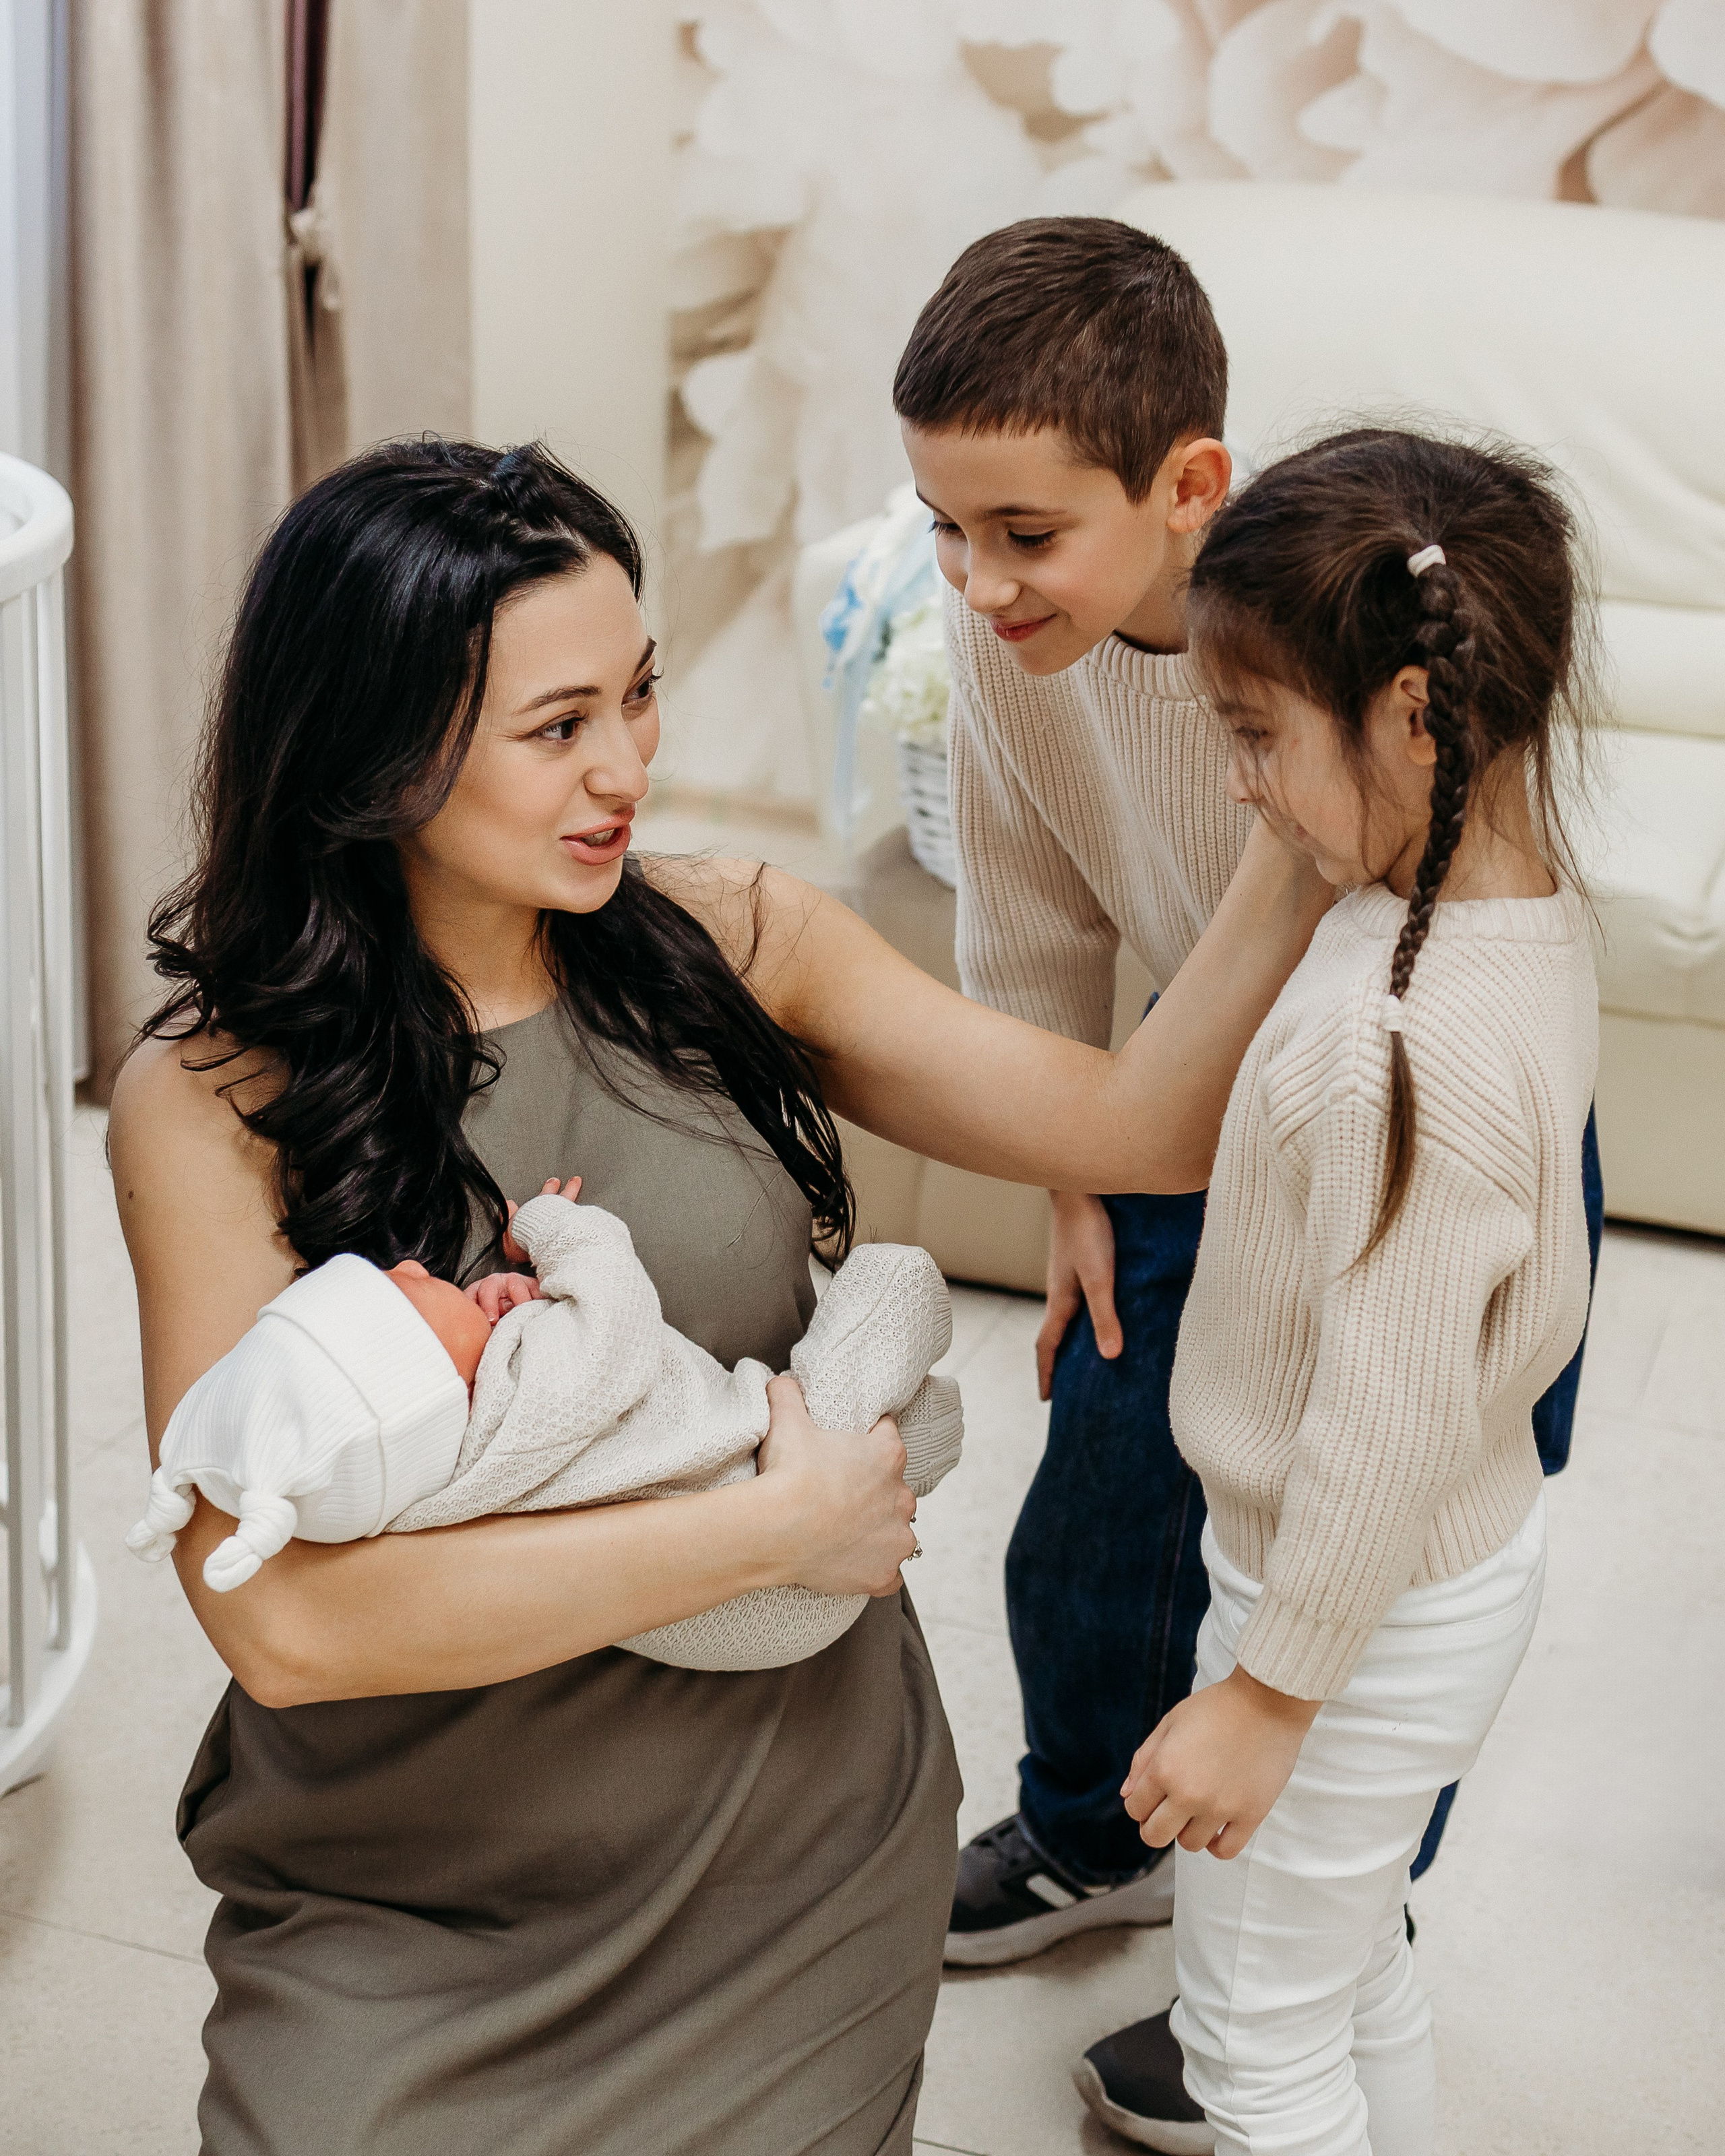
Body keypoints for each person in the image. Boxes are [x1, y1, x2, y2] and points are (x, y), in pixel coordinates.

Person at [108, 438, 1329, 2156]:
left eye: (638, 695)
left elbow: (1141, 1124)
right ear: (378, 755)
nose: (624, 769)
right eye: (556, 729)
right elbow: (284, 1626)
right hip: (410, 1884)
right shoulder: (214, 1099)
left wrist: (1306, 793)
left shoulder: (733, 942)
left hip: (788, 1843)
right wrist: (766, 1534)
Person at [892, 218, 1604, 2139]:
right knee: (1108, 1509)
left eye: (1024, 534)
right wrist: (1077, 1183)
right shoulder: (1007, 649)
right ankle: (1101, 1835)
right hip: (1193, 1120)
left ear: (1188, 486)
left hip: (1366, 1115)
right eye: (946, 529)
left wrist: (1290, 1702)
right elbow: (1031, 908)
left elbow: (1398, 1379)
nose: (975, 580)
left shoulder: (1342, 646)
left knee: (1402, 1499)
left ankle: (1319, 1887)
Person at [1112, 427, 1598, 2155]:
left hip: (1351, 1614)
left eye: (1251, 737)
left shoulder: (1392, 1047)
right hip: (1429, 1572)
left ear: (1410, 715)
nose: (1237, 785)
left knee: (1249, 2046)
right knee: (1340, 1972)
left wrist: (1265, 1697)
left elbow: (1380, 1420)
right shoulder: (1502, 907)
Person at [129, 1180, 963, 1668]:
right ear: (431, 1375)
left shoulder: (419, 1486)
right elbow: (619, 1317)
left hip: (720, 1624)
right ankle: (916, 1436)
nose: (418, 1265)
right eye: (408, 1288)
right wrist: (551, 1230)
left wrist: (500, 1316)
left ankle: (915, 1442)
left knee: (909, 1427)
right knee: (895, 1280)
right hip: (771, 1530)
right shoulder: (535, 1393)